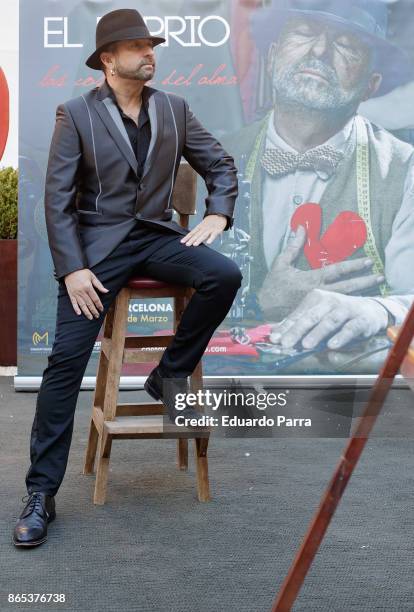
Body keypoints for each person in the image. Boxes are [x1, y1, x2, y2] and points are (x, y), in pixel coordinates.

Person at [13, 8, 242, 548]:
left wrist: (218, 213)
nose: (149, 53)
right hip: (96, 252)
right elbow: (58, 201)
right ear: (108, 60)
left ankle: (168, 374)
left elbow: (221, 165)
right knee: (65, 365)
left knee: (223, 276)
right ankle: (41, 494)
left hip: (156, 238)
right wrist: (72, 269)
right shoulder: (75, 114)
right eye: (136, 46)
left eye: (150, 44)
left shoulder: (175, 108)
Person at [223, 0, 414, 356]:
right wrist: (259, 302)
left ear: (370, 85)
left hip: (355, 398)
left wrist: (379, 310)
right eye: (305, 33)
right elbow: (168, 304)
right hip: (223, 390)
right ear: (272, 57)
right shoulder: (211, 162)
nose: (321, 50)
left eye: (346, 44)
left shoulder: (406, 170)